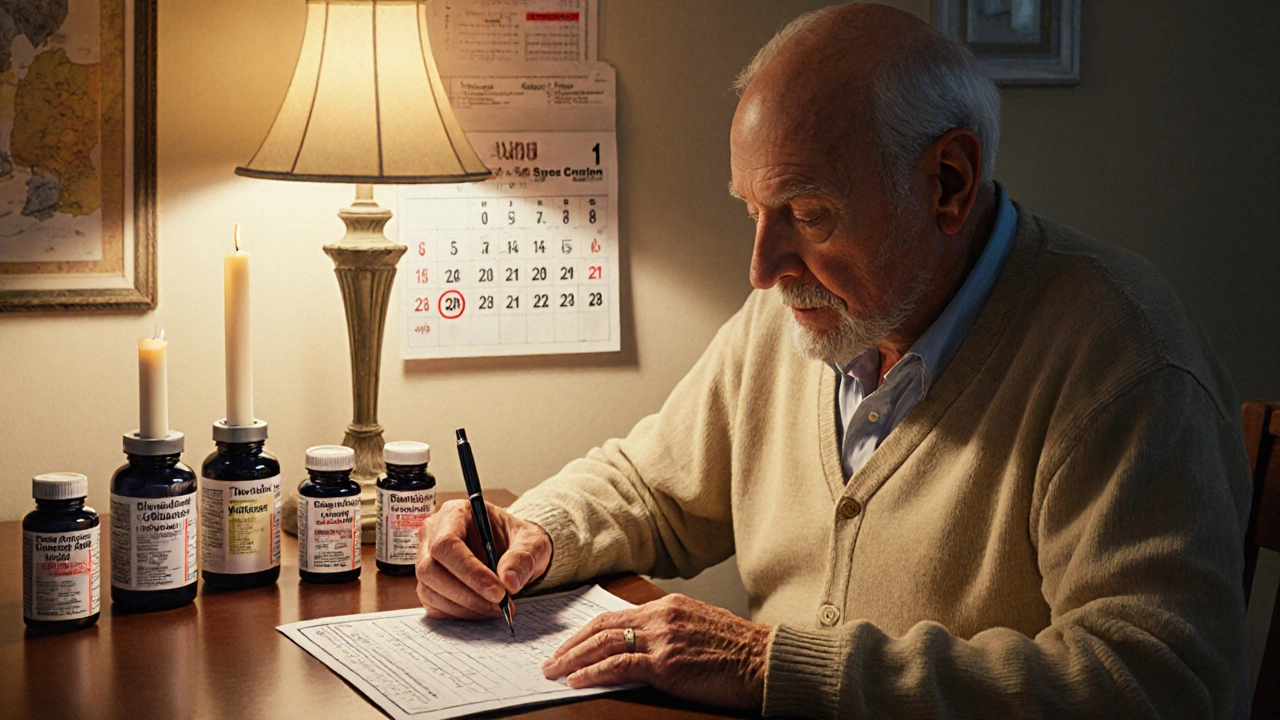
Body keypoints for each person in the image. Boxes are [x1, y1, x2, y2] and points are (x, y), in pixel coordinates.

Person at [415, 3, 1252, 716]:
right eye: (753, 209)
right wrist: (528, 533)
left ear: (948, 183)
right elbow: (652, 488)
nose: (763, 267)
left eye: (808, 213)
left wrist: (768, 664)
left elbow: (1158, 682)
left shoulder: (1125, 358)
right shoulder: (802, 314)